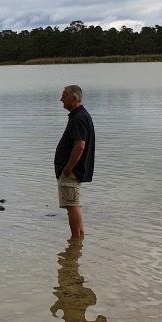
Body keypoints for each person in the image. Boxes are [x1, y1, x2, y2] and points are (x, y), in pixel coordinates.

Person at [54, 85, 95, 240]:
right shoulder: (79, 115)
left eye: (64, 96)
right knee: (72, 204)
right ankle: (78, 239)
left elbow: (79, 146)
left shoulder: (78, 118)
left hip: (71, 171)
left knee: (71, 205)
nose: (61, 99)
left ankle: (75, 241)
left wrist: (68, 168)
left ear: (73, 98)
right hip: (71, 170)